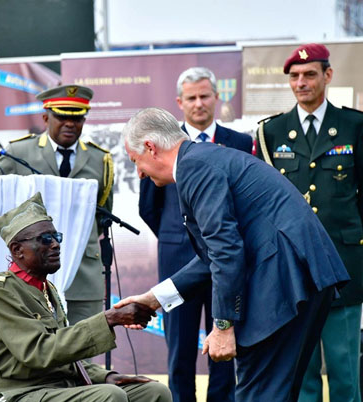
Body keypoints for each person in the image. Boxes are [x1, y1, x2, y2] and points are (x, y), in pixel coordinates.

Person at [118, 107, 350, 402]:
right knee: (276, 394)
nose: (139, 173)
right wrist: (154, 299)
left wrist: (223, 325)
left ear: (151, 147)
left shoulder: (194, 167)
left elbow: (225, 250)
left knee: (258, 395)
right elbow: (213, 256)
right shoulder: (203, 159)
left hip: (283, 282)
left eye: (135, 161)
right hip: (301, 277)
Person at [255, 43, 363, 402]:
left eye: (310, 74)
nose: (301, 82)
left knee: (345, 374)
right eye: (294, 76)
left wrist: (347, 236)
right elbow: (262, 199)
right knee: (302, 376)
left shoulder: (354, 125)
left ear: (327, 75)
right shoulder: (271, 131)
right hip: (294, 270)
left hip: (342, 264)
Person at [0, 192, 172, 402]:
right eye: (45, 239)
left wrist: (106, 376)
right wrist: (108, 319)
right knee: (110, 396)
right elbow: (39, 352)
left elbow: (66, 358)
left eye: (57, 237)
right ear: (18, 250)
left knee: (154, 392)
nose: (55, 245)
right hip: (20, 393)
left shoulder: (47, 288)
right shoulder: (3, 291)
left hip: (58, 387)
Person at [139, 66, 251, 402]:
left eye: (204, 96)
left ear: (217, 97)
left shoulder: (240, 142)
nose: (199, 103)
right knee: (180, 349)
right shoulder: (162, 145)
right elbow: (149, 208)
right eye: (191, 98)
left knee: (223, 346)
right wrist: (181, 237)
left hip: (225, 263)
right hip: (177, 261)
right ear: (179, 102)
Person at [0, 84, 114, 325]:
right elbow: (0, 205)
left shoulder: (99, 159)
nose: (70, 124)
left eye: (77, 118)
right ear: (45, 117)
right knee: (38, 341)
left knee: (87, 341)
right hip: (31, 269)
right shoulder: (19, 152)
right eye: (62, 117)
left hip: (83, 271)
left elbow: (102, 215)